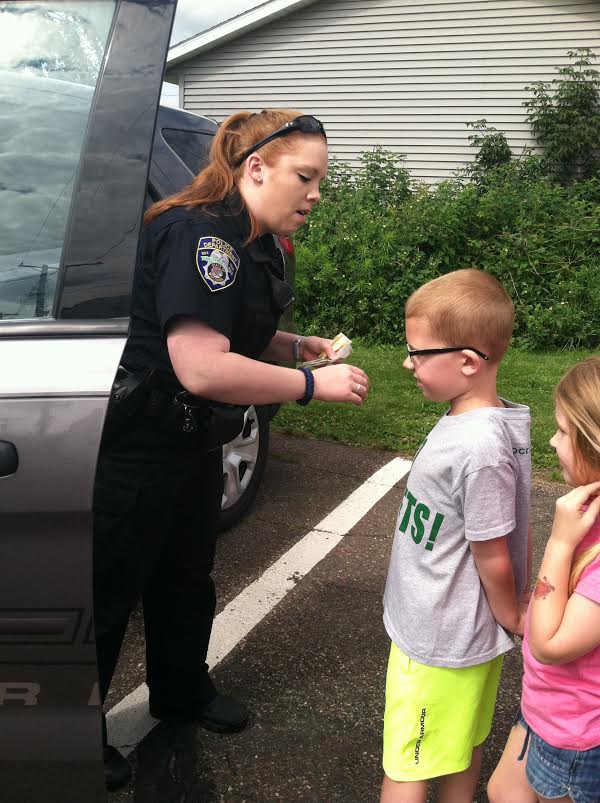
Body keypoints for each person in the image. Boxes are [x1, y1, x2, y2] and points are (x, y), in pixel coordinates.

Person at [93, 108, 370, 791]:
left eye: (319, 180)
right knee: (109, 590)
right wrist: (310, 383)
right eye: (305, 177)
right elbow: (202, 365)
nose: (314, 194)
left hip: (191, 442)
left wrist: (288, 345)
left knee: (186, 575)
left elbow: (231, 332)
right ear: (256, 168)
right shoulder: (201, 236)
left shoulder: (253, 239)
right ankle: (73, 729)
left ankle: (181, 691)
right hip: (139, 442)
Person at [380, 269, 532, 803]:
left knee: (408, 764)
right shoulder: (469, 423)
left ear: (468, 361)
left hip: (440, 638)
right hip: (450, 628)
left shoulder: (479, 448)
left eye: (419, 353)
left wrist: (513, 614)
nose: (408, 363)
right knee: (461, 745)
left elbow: (491, 554)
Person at [488, 357, 600, 803]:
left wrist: (558, 544)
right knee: (502, 790)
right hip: (548, 709)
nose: (552, 442)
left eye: (562, 432)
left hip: (575, 734)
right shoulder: (586, 512)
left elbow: (551, 645)